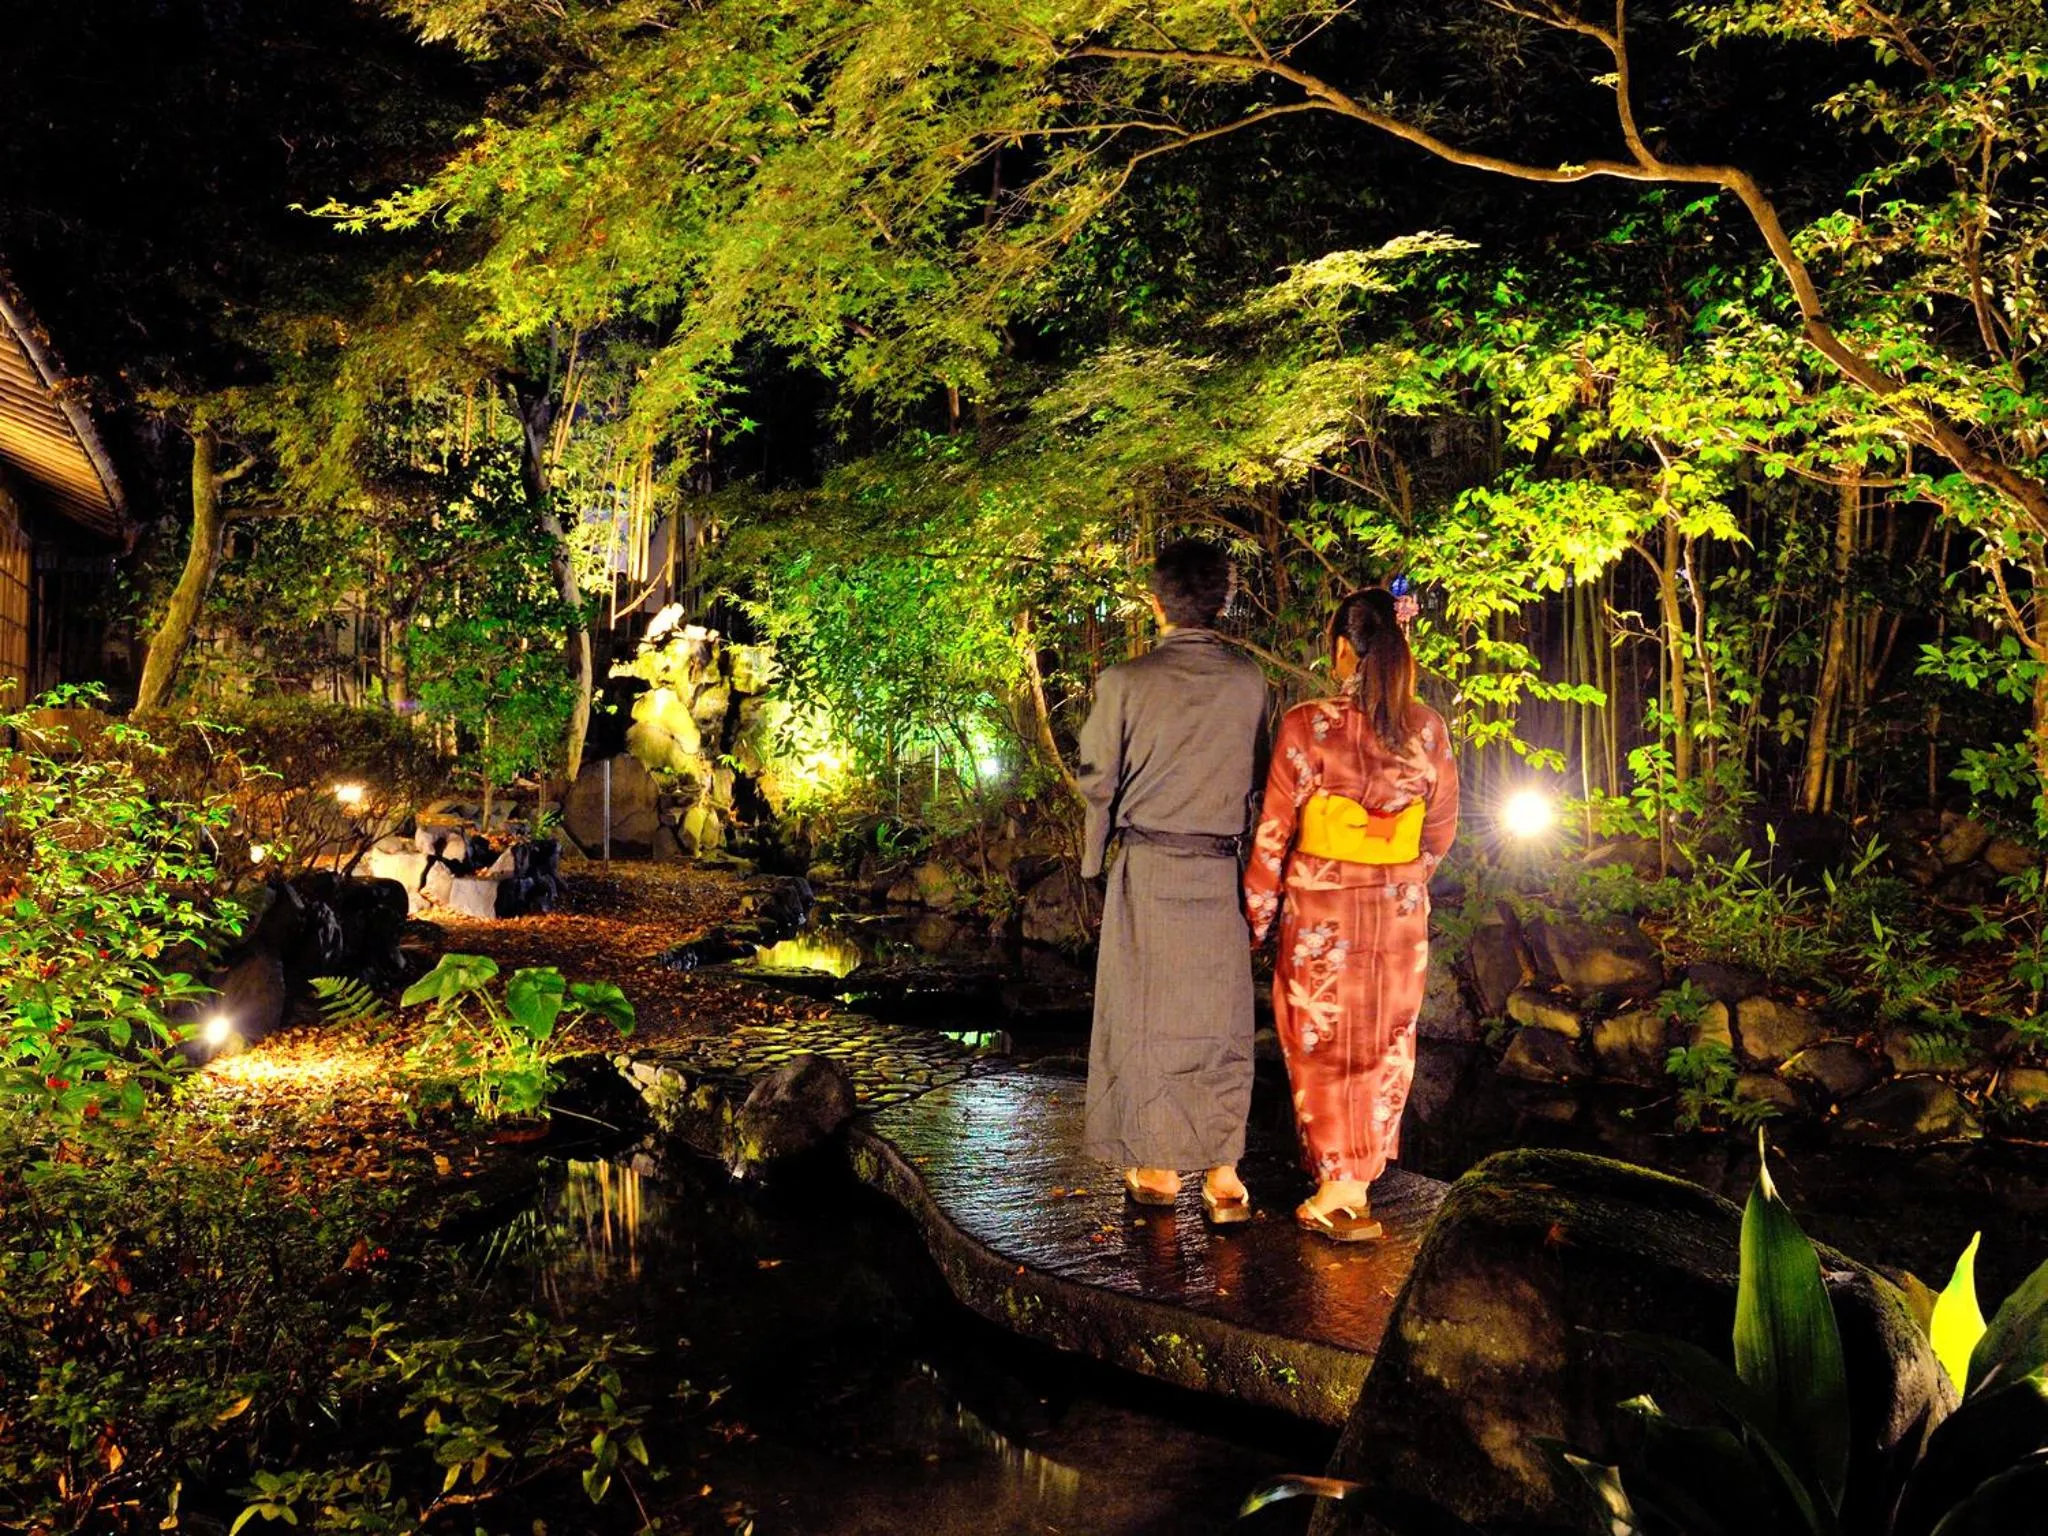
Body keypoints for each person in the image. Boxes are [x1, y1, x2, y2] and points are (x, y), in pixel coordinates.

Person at [1243, 588, 1459, 1242]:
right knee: (1385, 1041)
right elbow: (1442, 832)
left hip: (1323, 912)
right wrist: (1399, 879)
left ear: (1342, 649)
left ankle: (1339, 1194)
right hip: (1397, 917)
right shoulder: (1427, 729)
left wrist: (1256, 917)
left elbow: (1273, 834)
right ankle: (1354, 1185)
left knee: (1323, 1038)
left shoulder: (1308, 725)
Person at [1077, 539, 1268, 1224]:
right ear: (1222, 601)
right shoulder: (1249, 682)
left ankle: (1157, 1168)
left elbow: (1099, 783)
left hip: (1149, 864)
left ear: (1156, 603)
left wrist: (1093, 866)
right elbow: (1257, 785)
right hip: (1220, 867)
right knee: (1218, 1020)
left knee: (1146, 1016)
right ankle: (1224, 1175)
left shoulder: (1125, 682)